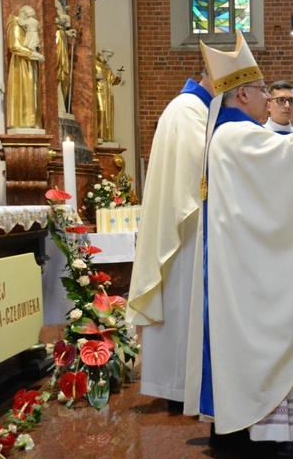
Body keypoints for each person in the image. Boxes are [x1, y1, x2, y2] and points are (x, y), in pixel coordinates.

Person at [183, 31, 293, 458]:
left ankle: (243, 432)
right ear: (242, 93)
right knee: (260, 344)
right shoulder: (238, 135)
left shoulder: (228, 134)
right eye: (261, 90)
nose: (265, 98)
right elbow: (292, 160)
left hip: (240, 264)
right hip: (247, 273)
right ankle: (259, 440)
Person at [125, 71, 214, 410]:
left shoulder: (190, 106)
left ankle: (179, 387)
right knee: (181, 306)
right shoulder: (190, 108)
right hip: (186, 229)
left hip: (186, 222)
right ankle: (177, 388)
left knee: (182, 307)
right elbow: (203, 163)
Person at [5, 5, 44, 129]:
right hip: (21, 63)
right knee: (24, 89)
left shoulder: (23, 25)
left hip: (29, 61)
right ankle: (23, 122)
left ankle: (31, 121)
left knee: (31, 89)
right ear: (22, 14)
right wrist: (31, 53)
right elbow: (15, 46)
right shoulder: (15, 25)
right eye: (28, 17)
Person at [54, 0, 77, 114]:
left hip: (61, 36)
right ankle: (57, 103)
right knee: (58, 70)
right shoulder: (51, 1)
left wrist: (67, 32)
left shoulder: (58, 3)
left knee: (64, 73)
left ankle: (60, 102)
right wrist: (62, 20)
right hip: (57, 38)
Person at [94, 49, 123, 142]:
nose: (109, 58)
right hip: (99, 90)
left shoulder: (108, 67)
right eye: (108, 56)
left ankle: (106, 137)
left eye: (111, 57)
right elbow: (86, 75)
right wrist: (95, 76)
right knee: (101, 111)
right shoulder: (94, 63)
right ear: (103, 53)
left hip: (108, 92)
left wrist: (118, 77)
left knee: (107, 114)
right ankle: (99, 135)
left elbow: (113, 81)